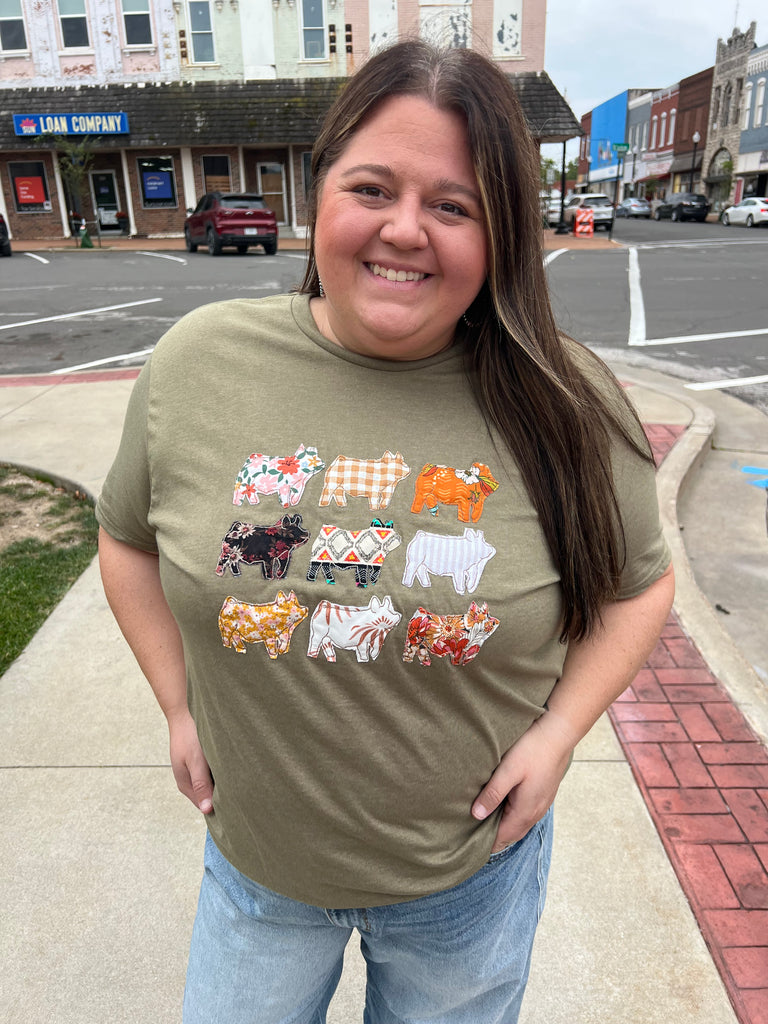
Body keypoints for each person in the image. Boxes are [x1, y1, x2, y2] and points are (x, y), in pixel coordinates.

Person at [96, 39, 674, 1024]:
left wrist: (560, 733)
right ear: (320, 194)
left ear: (500, 233)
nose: (404, 230)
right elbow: (126, 539)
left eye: (453, 206)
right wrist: (178, 703)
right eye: (371, 188)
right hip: (259, 869)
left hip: (467, 882)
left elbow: (639, 587)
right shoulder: (198, 363)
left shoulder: (566, 400)